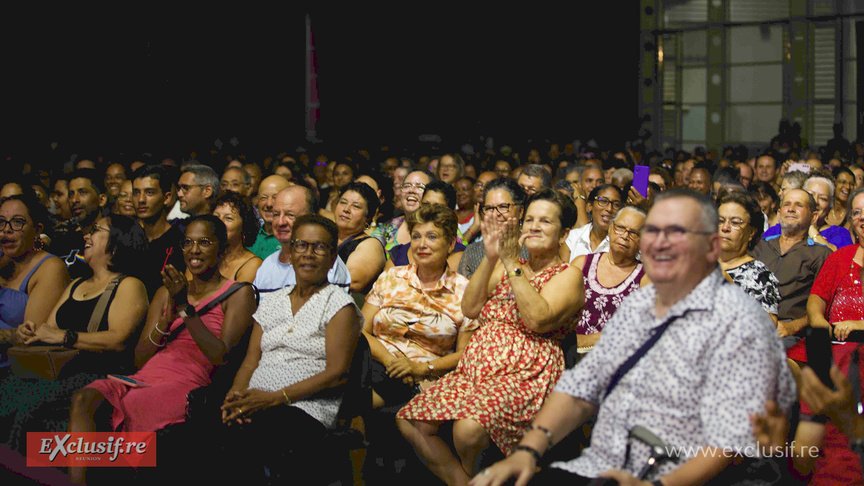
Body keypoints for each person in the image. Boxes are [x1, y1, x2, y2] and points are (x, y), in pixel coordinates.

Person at [472, 189, 796, 486]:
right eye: (653, 231)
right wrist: (529, 449)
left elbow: (730, 442)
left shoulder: (742, 323)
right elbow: (584, 384)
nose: (659, 243)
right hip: (609, 465)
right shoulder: (641, 305)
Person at [397, 189, 584, 485]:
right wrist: (492, 256)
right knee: (410, 419)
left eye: (545, 222)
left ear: (564, 234)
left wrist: (511, 263)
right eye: (530, 219)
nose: (533, 227)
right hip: (475, 373)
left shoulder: (567, 275)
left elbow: (536, 319)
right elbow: (469, 307)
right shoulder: (507, 265)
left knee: (467, 430)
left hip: (525, 375)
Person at [67, 215, 256, 484]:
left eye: (204, 242)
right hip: (144, 377)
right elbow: (139, 358)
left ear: (221, 248)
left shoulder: (239, 293)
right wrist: (167, 318)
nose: (194, 250)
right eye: (187, 243)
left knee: (136, 405)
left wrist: (184, 310)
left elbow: (221, 356)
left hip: (187, 381)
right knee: (83, 399)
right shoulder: (165, 292)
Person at [218, 215, 363, 483]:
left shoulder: (339, 306)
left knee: (254, 435)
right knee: (208, 423)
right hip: (255, 403)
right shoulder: (271, 301)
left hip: (305, 410)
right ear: (291, 251)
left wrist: (274, 398)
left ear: (332, 257)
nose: (309, 254)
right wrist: (235, 397)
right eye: (302, 246)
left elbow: (337, 373)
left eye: (319, 247)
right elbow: (251, 361)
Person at [1, 213, 149, 453]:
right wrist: (33, 333)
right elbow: (49, 331)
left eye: (97, 230)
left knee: (27, 407)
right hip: (57, 369)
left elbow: (117, 340)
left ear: (117, 242)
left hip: (93, 373)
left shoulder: (129, 284)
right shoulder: (76, 284)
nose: (86, 235)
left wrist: (65, 336)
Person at [363, 204, 477, 408]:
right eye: (416, 237)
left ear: (450, 244)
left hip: (426, 377)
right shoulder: (392, 277)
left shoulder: (465, 291)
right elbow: (361, 330)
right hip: (377, 363)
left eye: (432, 237)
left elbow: (465, 354)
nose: (421, 244)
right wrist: (391, 362)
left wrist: (419, 368)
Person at [752, 189, 832, 347]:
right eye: (787, 204)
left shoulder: (820, 254)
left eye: (799, 205)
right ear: (780, 212)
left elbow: (825, 308)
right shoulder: (759, 246)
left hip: (789, 333)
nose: (791, 208)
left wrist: (793, 327)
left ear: (813, 216)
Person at [0, 193, 70, 370]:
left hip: (16, 371)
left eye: (17, 222)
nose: (6, 229)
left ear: (38, 230)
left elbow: (31, 341)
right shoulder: (5, 262)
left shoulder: (50, 268)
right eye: (1, 221)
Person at [571, 206, 650, 349]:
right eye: (620, 228)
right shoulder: (581, 263)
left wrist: (585, 342)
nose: (625, 236)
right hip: (571, 352)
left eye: (633, 233)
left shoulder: (645, 278)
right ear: (610, 228)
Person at [253, 185, 351, 292]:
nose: (280, 222)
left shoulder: (324, 263)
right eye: (276, 214)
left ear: (311, 217)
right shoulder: (267, 265)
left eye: (290, 215)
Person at [717, 192, 781, 321]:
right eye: (720, 221)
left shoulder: (758, 274)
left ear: (751, 232)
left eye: (735, 223)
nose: (725, 227)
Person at [132, 165, 186, 299]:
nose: (141, 200)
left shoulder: (180, 243)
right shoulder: (129, 240)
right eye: (136, 192)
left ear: (166, 198)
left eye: (149, 192)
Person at [458, 178, 528, 279]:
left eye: (503, 207)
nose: (495, 214)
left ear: (520, 211)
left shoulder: (532, 249)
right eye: (489, 208)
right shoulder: (472, 252)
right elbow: (465, 293)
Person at [334, 181, 386, 294]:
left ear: (368, 217)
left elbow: (352, 281)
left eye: (356, 206)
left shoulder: (371, 244)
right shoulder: (324, 236)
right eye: (343, 202)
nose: (346, 209)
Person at [372, 169, 435, 255]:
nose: (411, 190)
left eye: (420, 187)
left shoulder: (442, 227)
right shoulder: (386, 229)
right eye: (406, 186)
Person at [562, 184, 623, 263]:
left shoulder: (621, 243)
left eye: (616, 205)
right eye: (603, 201)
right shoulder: (573, 237)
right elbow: (562, 271)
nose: (609, 208)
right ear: (589, 206)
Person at [212, 191, 262, 283]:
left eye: (228, 218)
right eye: (216, 217)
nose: (219, 223)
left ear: (244, 226)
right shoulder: (205, 257)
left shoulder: (253, 264)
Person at [247, 174, 290, 259]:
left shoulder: (292, 238)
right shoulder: (249, 235)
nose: (269, 204)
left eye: (275, 197)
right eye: (263, 198)